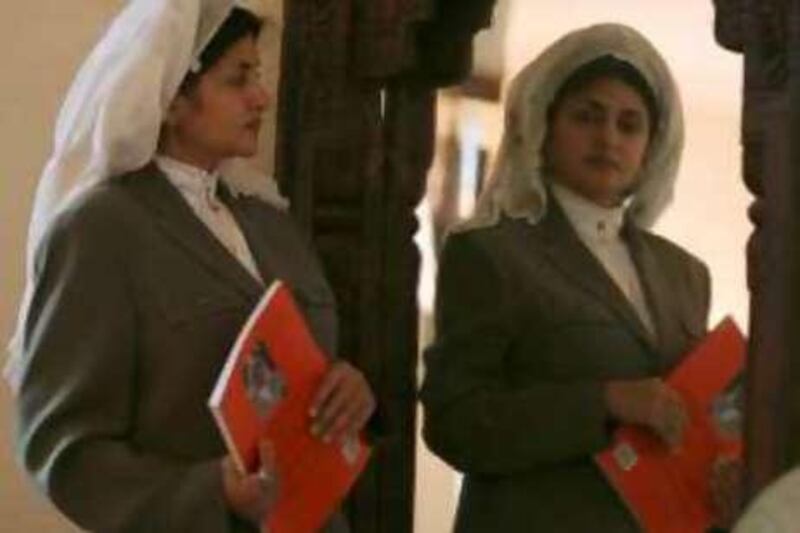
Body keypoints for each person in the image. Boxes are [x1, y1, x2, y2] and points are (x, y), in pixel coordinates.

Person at [7, 1, 375, 531]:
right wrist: (212, 491)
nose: (261, 97)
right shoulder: (101, 231)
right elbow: (64, 450)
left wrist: (347, 392)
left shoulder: (272, 222)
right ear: (173, 97)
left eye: (259, 76)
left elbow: (304, 374)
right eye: (238, 79)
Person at [420, 23, 737, 531]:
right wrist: (606, 400)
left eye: (629, 124)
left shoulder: (685, 275)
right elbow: (455, 424)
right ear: (546, 126)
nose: (608, 138)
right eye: (588, 117)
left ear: (652, 146)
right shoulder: (491, 252)